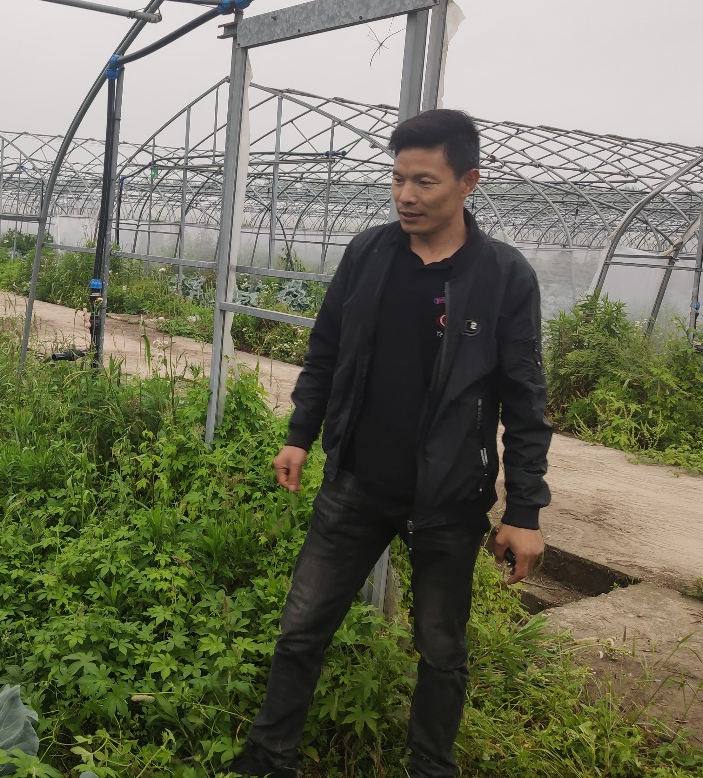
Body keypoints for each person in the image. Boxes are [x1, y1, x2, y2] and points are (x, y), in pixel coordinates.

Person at [229, 109, 551, 778]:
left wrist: (524, 510)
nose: (406, 195)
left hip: (449, 500)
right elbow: (326, 350)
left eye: (424, 181)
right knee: (301, 629)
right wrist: (300, 435)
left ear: (468, 182)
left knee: (441, 650)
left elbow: (525, 401)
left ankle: (430, 768)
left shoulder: (502, 276)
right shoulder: (370, 254)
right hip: (355, 484)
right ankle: (266, 759)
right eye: (398, 179)